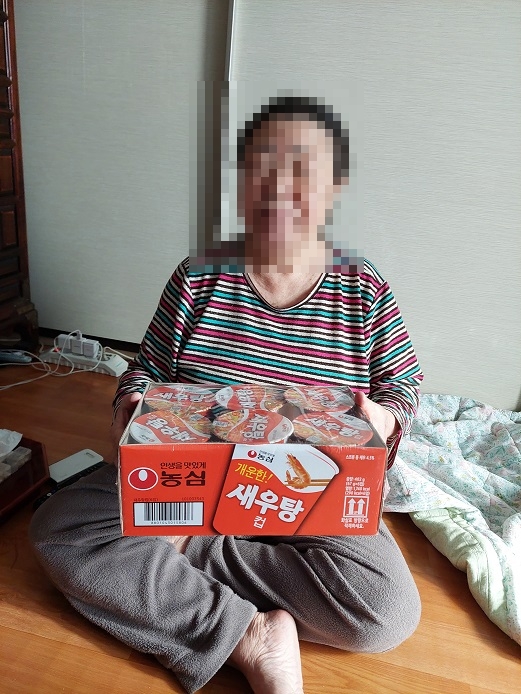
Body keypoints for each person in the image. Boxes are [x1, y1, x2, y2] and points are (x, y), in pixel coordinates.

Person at [30, 96, 423, 694]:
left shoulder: (362, 288)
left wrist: (385, 419)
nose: (280, 189)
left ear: (333, 188)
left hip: (309, 490)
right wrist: (128, 413)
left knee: (386, 609)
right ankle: (246, 634)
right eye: (262, 169)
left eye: (302, 171)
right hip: (191, 482)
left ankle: (187, 553)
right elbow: (145, 371)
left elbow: (402, 385)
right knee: (61, 528)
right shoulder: (198, 275)